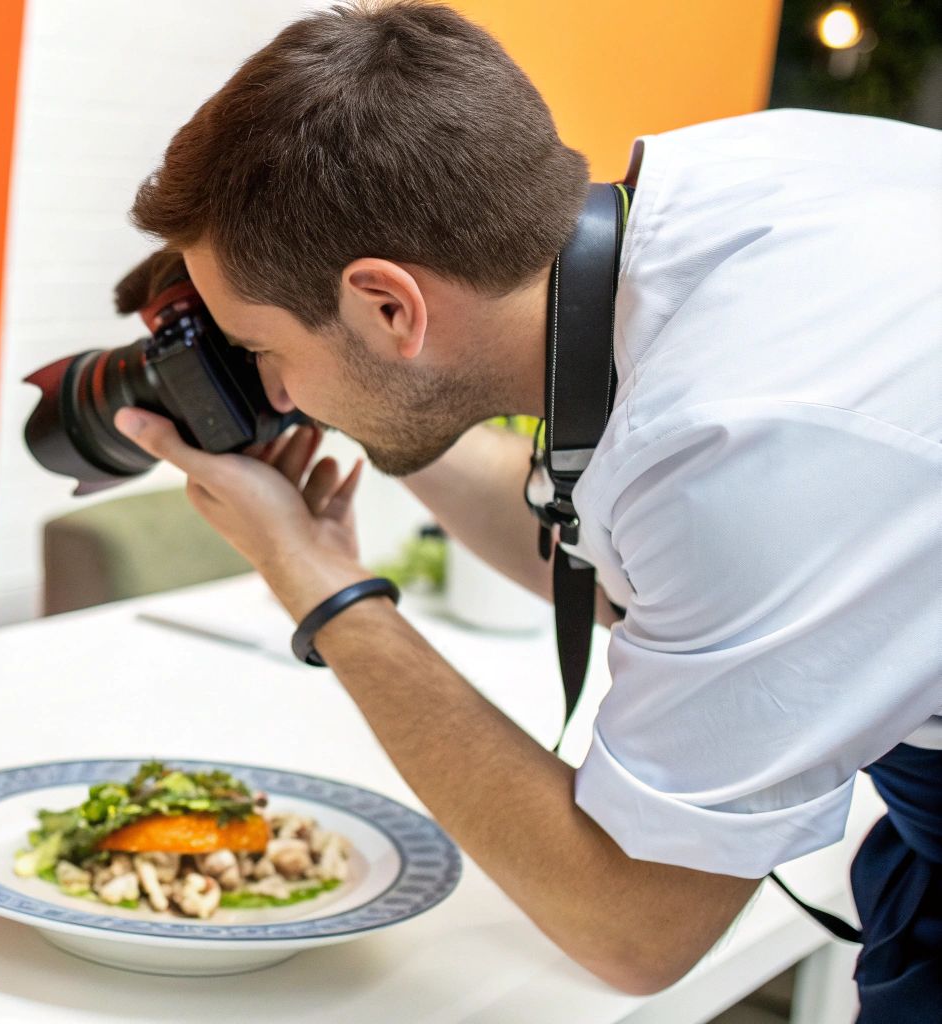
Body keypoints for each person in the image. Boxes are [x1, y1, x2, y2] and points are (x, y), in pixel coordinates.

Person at [107, 1, 942, 1015]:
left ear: (387, 307)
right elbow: (646, 573)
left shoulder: (743, 444)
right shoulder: (722, 190)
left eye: (263, 350)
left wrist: (327, 594)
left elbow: (633, 924)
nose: (273, 395)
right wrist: (387, 432)